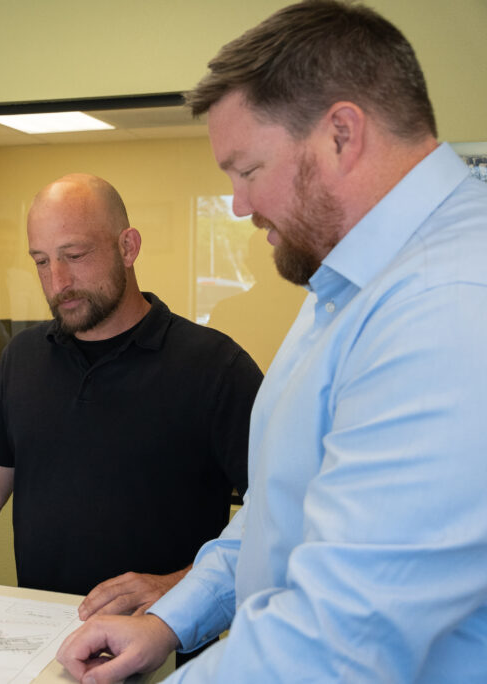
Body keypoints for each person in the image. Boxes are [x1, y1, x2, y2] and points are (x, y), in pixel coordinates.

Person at [57, 2, 487, 682]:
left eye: (248, 170)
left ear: (342, 134)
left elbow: (336, 639)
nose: (238, 204)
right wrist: (167, 621)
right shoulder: (349, 282)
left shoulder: (449, 303)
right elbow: (279, 512)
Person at [0, 173, 262, 663]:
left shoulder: (216, 367)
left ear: (128, 247)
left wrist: (177, 587)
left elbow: (277, 520)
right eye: (42, 261)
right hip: (47, 643)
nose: (58, 282)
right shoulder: (23, 356)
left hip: (162, 648)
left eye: (75, 255)